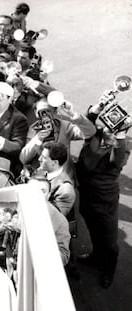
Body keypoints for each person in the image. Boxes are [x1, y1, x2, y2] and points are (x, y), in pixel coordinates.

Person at [76, 91, 131, 288]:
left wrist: (121, 134)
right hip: (87, 194)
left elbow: (117, 161)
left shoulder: (122, 145)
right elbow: (86, 120)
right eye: (108, 121)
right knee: (92, 227)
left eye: (114, 126)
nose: (109, 128)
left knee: (109, 241)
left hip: (104, 200)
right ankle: (95, 256)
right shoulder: (96, 132)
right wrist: (98, 106)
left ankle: (108, 269)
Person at [19, 97, 96, 178]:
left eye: (48, 111)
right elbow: (24, 158)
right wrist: (37, 140)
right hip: (41, 178)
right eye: (41, 112)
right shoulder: (33, 130)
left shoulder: (65, 127)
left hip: (63, 178)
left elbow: (90, 132)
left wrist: (73, 114)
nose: (45, 115)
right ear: (36, 113)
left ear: (55, 112)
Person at [27, 176, 71, 265]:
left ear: (49, 194)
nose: (36, 195)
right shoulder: (16, 207)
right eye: (32, 190)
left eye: (42, 191)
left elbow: (64, 256)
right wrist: (3, 227)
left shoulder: (59, 220)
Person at [38, 142, 76, 217]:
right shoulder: (40, 172)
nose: (39, 159)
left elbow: (53, 218)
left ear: (54, 162)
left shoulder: (65, 191)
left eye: (44, 158)